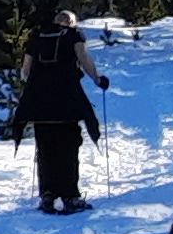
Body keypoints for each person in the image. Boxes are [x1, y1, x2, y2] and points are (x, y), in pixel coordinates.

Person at [17, 11, 110, 214]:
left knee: (45, 150)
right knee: (68, 149)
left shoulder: (36, 36)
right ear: (70, 23)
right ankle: (70, 196)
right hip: (67, 102)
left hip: (40, 105)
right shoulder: (74, 36)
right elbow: (83, 59)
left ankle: (47, 195)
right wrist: (97, 79)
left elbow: (25, 70)